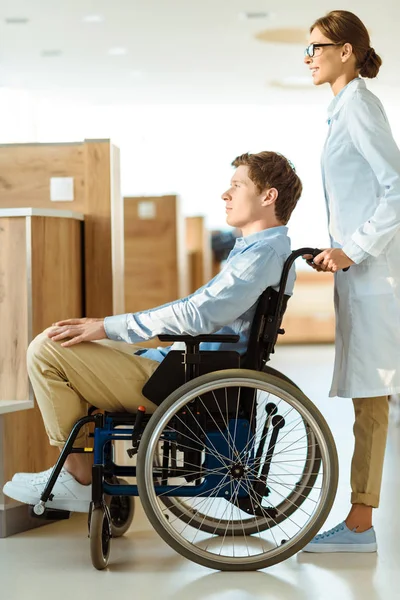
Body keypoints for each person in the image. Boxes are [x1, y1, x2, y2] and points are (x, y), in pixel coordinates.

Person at [3, 151, 302, 513]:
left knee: (47, 349)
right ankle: (82, 473)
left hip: (186, 379)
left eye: (237, 186)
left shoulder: (260, 256)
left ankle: (77, 476)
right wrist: (108, 328)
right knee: (70, 340)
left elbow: (198, 316)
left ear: (268, 197)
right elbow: (201, 310)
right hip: (184, 367)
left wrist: (108, 327)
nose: (226, 194)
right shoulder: (258, 251)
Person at [302, 10, 400, 553]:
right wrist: (339, 247)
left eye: (317, 47)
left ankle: (360, 525)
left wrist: (354, 249)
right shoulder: (343, 110)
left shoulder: (359, 105)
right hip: (361, 274)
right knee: (370, 396)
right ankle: (359, 520)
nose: (309, 58)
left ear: (346, 51)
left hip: (375, 275)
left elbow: (397, 188)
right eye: (308, 49)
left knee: (372, 398)